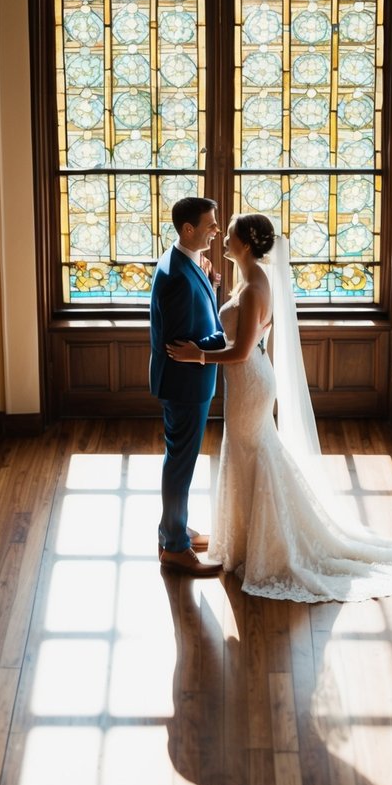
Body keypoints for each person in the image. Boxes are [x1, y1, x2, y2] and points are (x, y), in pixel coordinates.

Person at [167, 213, 392, 602]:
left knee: (253, 453)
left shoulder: (256, 285)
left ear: (244, 244)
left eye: (231, 234)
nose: (223, 237)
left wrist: (197, 357)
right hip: (247, 382)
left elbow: (240, 351)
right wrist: (213, 288)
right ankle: (243, 542)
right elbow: (238, 331)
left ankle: (270, 546)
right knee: (247, 454)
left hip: (250, 380)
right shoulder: (248, 278)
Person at [150, 196, 227, 577]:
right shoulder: (177, 276)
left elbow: (198, 310)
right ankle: (175, 549)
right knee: (180, 464)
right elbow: (184, 343)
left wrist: (211, 283)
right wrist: (232, 335)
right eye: (211, 224)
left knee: (179, 460)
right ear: (188, 229)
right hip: (184, 383)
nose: (217, 229)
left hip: (186, 381)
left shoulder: (184, 261)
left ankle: (174, 528)